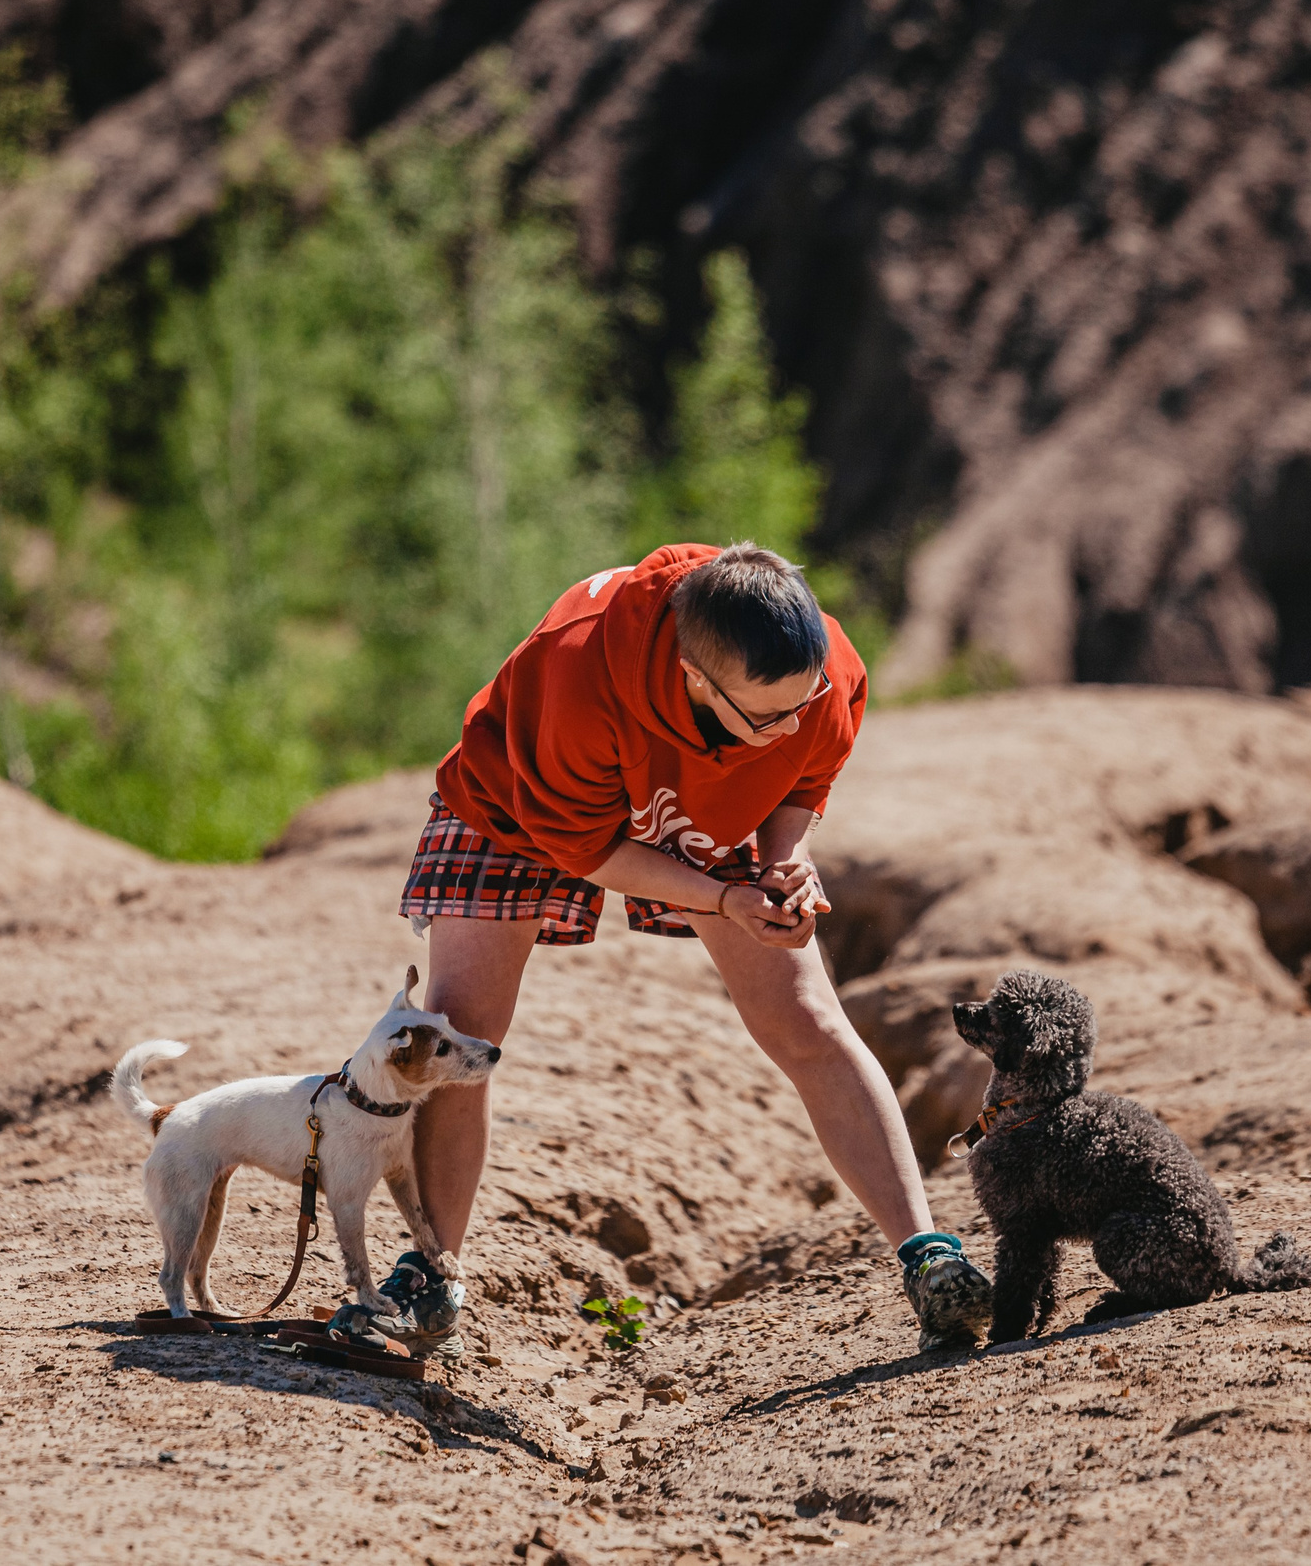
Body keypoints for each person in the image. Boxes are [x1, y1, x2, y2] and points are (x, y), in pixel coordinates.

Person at [358, 541, 994, 1355]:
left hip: (703, 797)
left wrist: (782, 862)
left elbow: (803, 776)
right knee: (460, 1031)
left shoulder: (816, 672)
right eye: (769, 715)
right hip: (519, 797)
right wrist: (725, 896)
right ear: (696, 679)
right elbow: (589, 850)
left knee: (805, 1015)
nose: (793, 723)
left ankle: (929, 1257)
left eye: (806, 702)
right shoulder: (580, 673)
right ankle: (431, 1273)